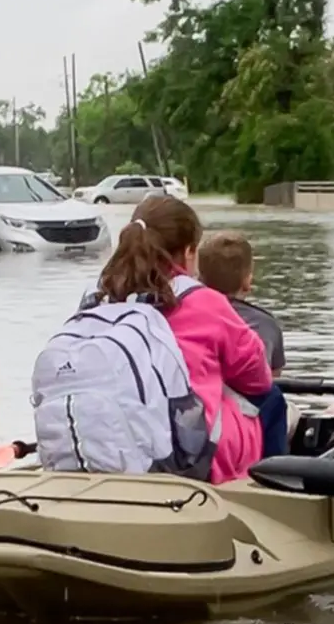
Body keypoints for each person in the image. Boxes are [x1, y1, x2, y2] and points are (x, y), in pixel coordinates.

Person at [93, 196, 283, 480]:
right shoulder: (204, 302)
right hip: (190, 455)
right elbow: (257, 378)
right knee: (272, 398)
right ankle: (277, 492)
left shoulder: (100, 298)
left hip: (110, 443)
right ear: (188, 252)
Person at [197, 231, 286, 376]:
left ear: (200, 279)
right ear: (247, 281)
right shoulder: (267, 324)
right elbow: (274, 378)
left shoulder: (184, 316)